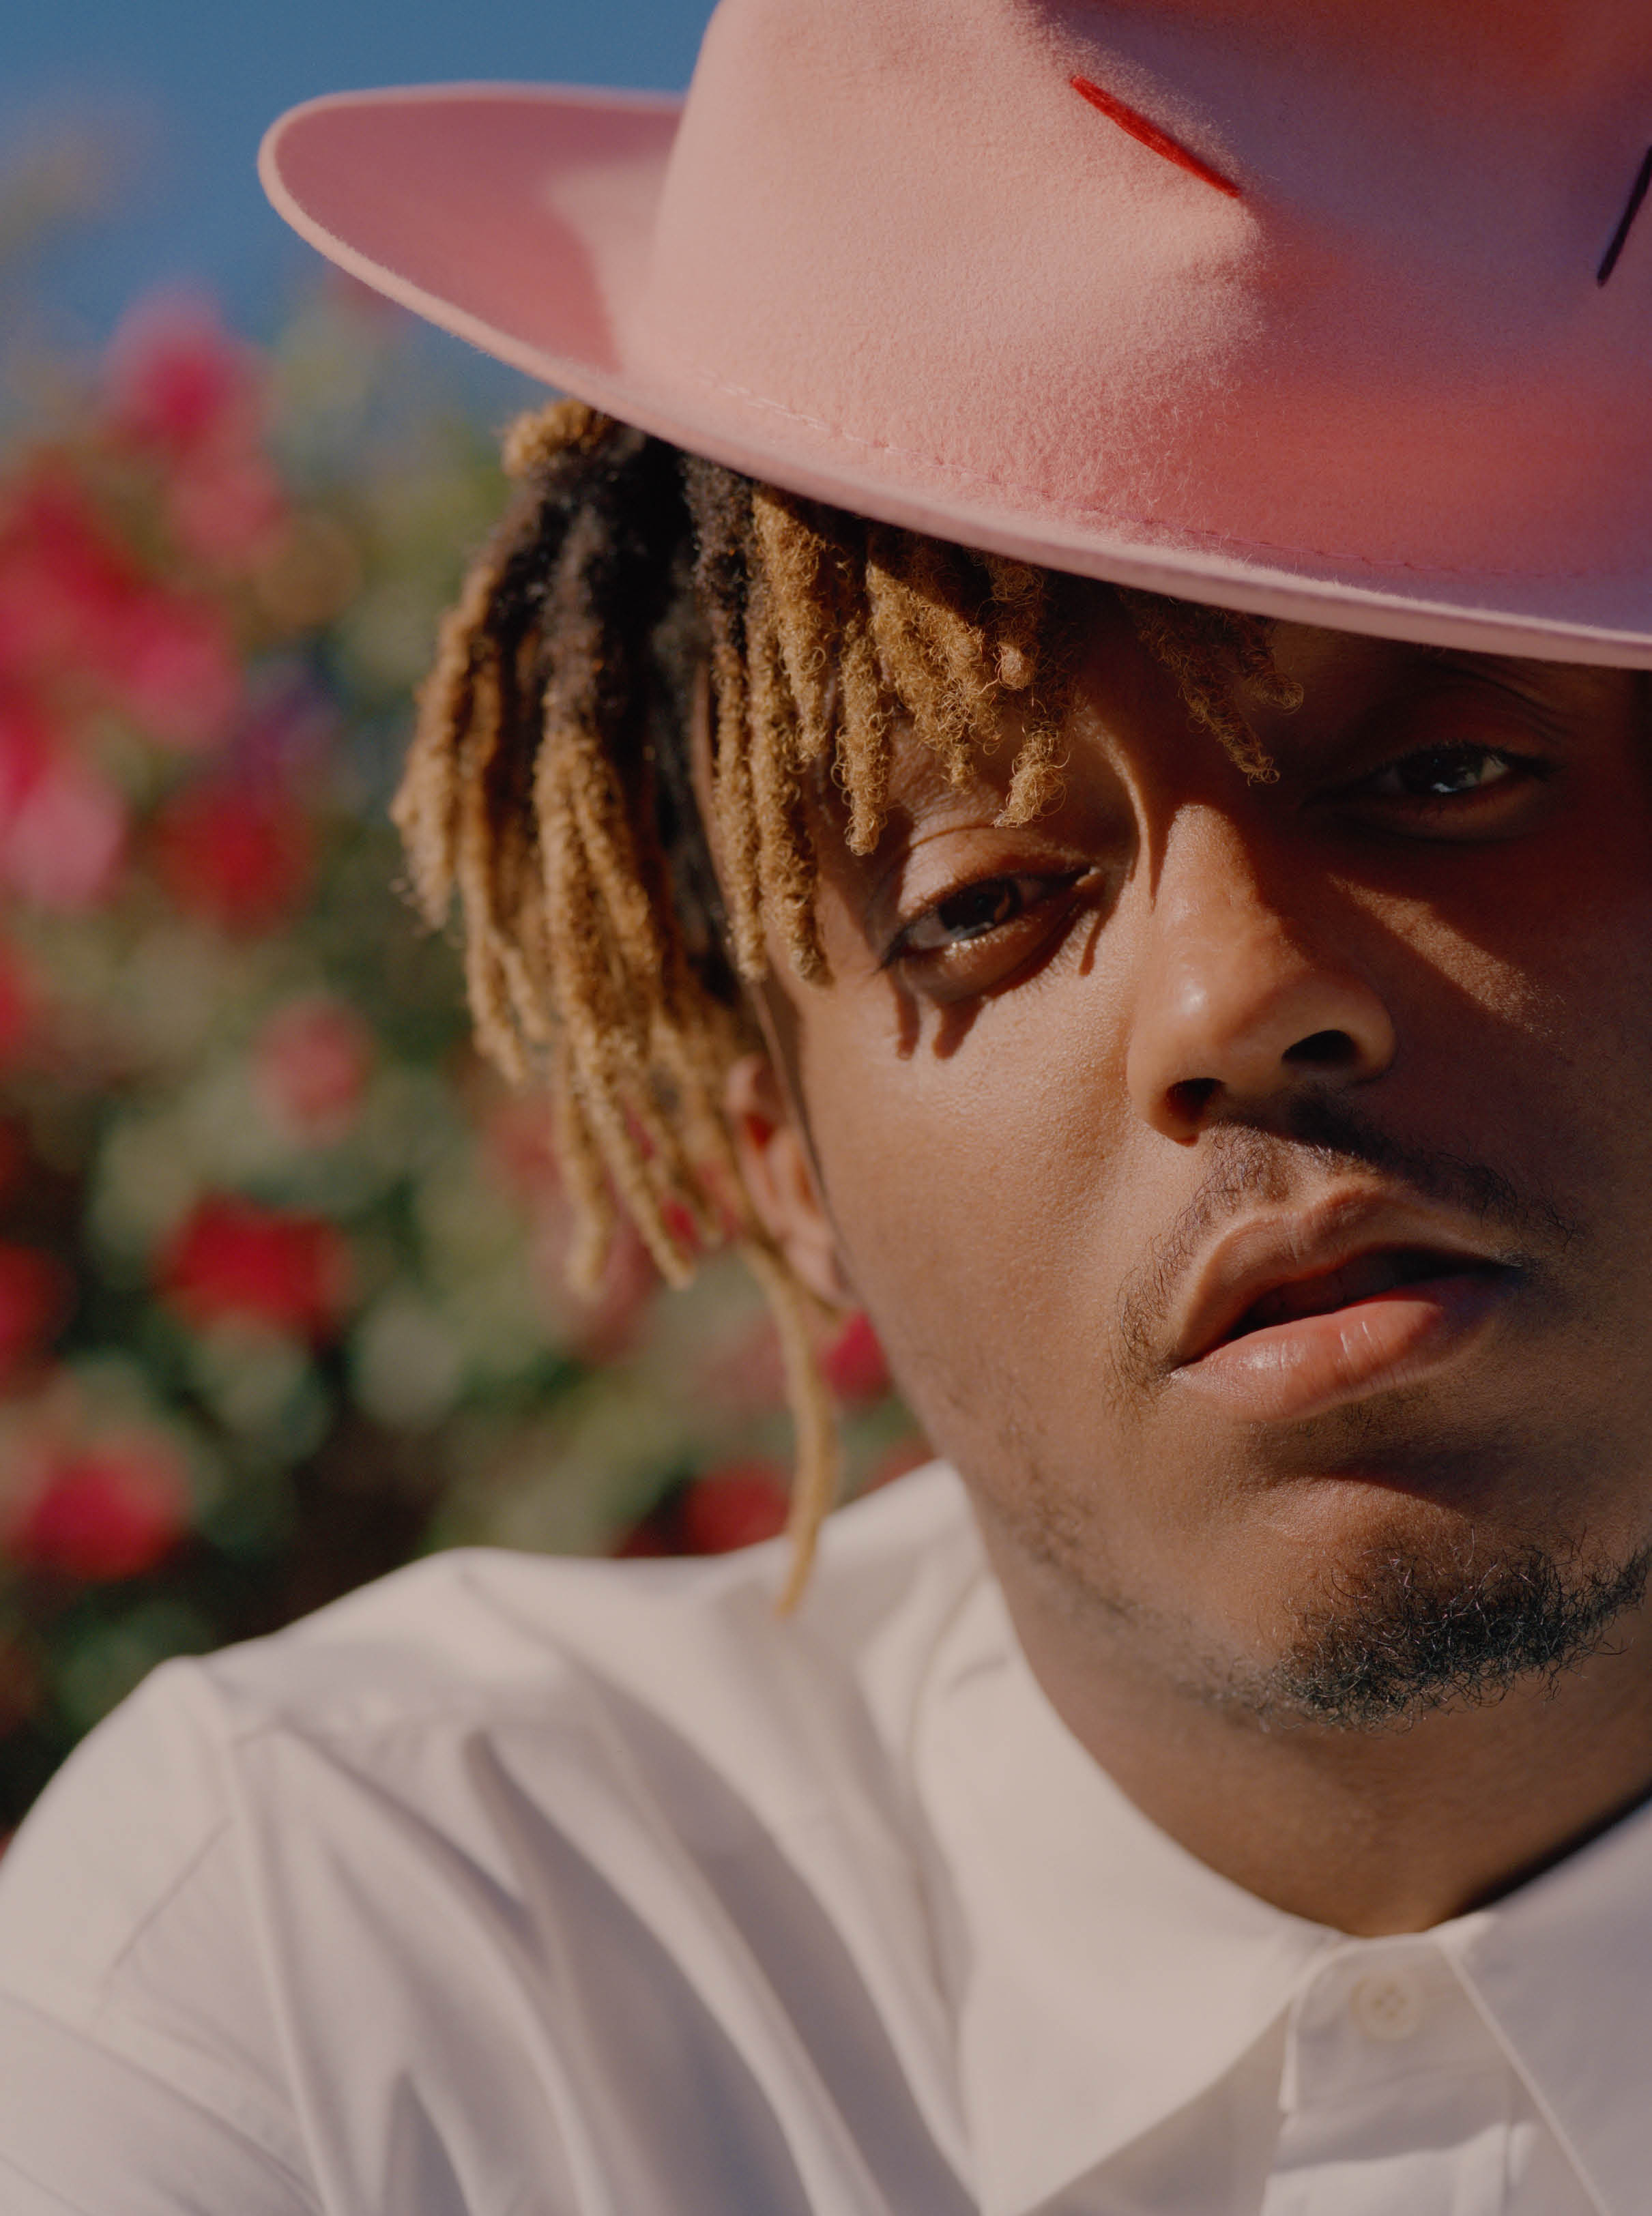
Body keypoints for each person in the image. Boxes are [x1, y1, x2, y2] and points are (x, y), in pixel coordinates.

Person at [5, 0, 1652, 2208]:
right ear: (773, 1154)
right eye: (980, 907)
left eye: (1441, 770)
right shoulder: (342, 1964)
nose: (1239, 992)